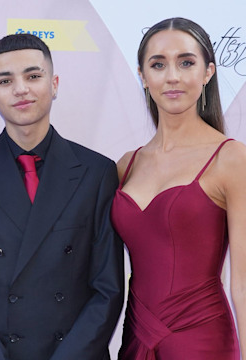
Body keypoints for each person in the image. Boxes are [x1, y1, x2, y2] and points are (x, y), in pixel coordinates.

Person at [0, 33, 125, 359]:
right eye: (5, 80)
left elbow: (107, 290)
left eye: (33, 76)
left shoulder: (96, 173)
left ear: (54, 84)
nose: (21, 89)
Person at [111, 17, 246, 359]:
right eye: (158, 64)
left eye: (186, 62)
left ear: (208, 73)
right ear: (142, 76)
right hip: (136, 340)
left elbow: (243, 283)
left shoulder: (231, 158)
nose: (172, 76)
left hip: (203, 343)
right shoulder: (126, 165)